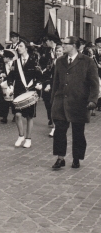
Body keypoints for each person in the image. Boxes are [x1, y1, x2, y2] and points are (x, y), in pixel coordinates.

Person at [51, 36, 99, 169]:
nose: (63, 46)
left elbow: (94, 84)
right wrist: (53, 100)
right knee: (59, 131)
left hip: (79, 103)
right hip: (61, 101)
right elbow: (55, 82)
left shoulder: (87, 62)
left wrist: (92, 100)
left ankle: (76, 158)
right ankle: (60, 158)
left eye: (66, 44)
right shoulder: (60, 61)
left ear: (74, 46)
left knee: (78, 132)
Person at [7, 39, 43, 148]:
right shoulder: (15, 62)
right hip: (18, 91)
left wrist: (39, 84)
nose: (18, 48)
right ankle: (21, 135)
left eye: (21, 46)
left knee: (29, 116)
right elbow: (10, 76)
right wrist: (10, 85)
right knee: (17, 114)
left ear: (26, 48)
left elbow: (39, 76)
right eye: (18, 46)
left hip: (30, 91)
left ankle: (28, 139)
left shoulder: (34, 61)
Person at [42, 44, 63, 137]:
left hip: (62, 87)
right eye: (57, 51)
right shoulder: (53, 61)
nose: (58, 53)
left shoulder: (65, 62)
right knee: (53, 106)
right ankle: (55, 127)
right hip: (54, 86)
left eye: (60, 51)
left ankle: (58, 126)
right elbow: (49, 73)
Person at [0, 49, 16, 124]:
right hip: (5, 84)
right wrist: (2, 74)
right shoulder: (4, 64)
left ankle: (15, 115)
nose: (3, 58)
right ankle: (4, 117)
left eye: (4, 57)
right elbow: (2, 72)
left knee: (13, 101)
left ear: (8, 58)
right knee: (4, 101)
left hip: (13, 84)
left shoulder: (15, 64)